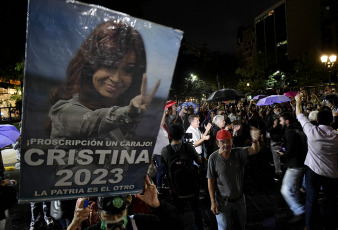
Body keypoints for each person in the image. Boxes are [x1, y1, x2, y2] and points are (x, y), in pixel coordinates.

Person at [48, 21, 160, 142]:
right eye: (109, 65)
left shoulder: (123, 123)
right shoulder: (63, 111)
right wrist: (128, 112)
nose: (116, 78)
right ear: (90, 64)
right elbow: (90, 122)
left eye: (128, 70)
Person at [67, 175, 182, 230]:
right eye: (109, 215)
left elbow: (173, 225)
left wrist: (158, 206)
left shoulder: (140, 222)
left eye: (119, 214)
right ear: (99, 214)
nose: (115, 220)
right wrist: (74, 224)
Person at [295, 92, 338, 230]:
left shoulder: (312, 131)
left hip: (313, 172)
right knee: (331, 201)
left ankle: (310, 226)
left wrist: (298, 101)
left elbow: (299, 115)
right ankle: (330, 225)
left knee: (311, 201)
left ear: (317, 120)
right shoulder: (336, 137)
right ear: (331, 121)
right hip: (331, 174)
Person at [207, 128, 261, 230]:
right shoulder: (213, 158)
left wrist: (254, 140)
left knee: (241, 225)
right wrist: (213, 202)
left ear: (232, 141)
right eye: (222, 142)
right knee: (224, 227)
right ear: (217, 143)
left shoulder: (238, 152)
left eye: (228, 141)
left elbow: (255, 149)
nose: (226, 144)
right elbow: (210, 180)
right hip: (222, 201)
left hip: (239, 199)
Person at [161, 124, 204, 230]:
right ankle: (200, 226)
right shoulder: (188, 147)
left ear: (170, 135)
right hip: (192, 186)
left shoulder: (165, 150)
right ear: (182, 134)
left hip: (176, 189)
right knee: (196, 209)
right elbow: (199, 161)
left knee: (178, 211)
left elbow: (165, 167)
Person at [278, 112, 307, 223]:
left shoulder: (290, 133)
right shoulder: (296, 130)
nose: (280, 123)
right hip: (299, 164)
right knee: (293, 188)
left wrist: (282, 154)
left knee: (285, 189)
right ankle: (297, 209)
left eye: (281, 120)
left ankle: (299, 210)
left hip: (294, 165)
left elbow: (290, 151)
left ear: (287, 121)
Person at [266, 104, 285, 181]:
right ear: (273, 109)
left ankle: (284, 171)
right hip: (275, 141)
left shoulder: (283, 116)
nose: (277, 109)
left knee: (283, 157)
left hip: (283, 140)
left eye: (278, 107)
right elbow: (268, 129)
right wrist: (274, 125)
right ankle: (278, 173)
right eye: (276, 108)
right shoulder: (271, 117)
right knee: (276, 158)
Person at [152, 112, 170, 191]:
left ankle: (163, 184)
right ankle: (158, 186)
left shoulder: (163, 128)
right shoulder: (157, 128)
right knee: (161, 169)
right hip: (159, 153)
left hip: (165, 153)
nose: (165, 120)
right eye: (163, 119)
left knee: (164, 169)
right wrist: (163, 112)